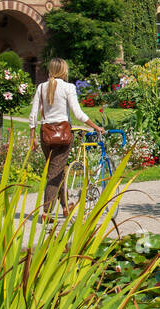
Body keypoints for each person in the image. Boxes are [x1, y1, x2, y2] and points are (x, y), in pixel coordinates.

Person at [29, 58, 105, 216]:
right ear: (63, 70)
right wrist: (96, 127)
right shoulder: (68, 87)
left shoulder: (41, 87)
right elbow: (78, 114)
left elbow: (33, 114)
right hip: (63, 136)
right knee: (54, 172)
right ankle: (47, 212)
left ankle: (65, 206)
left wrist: (32, 137)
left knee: (56, 170)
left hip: (46, 135)